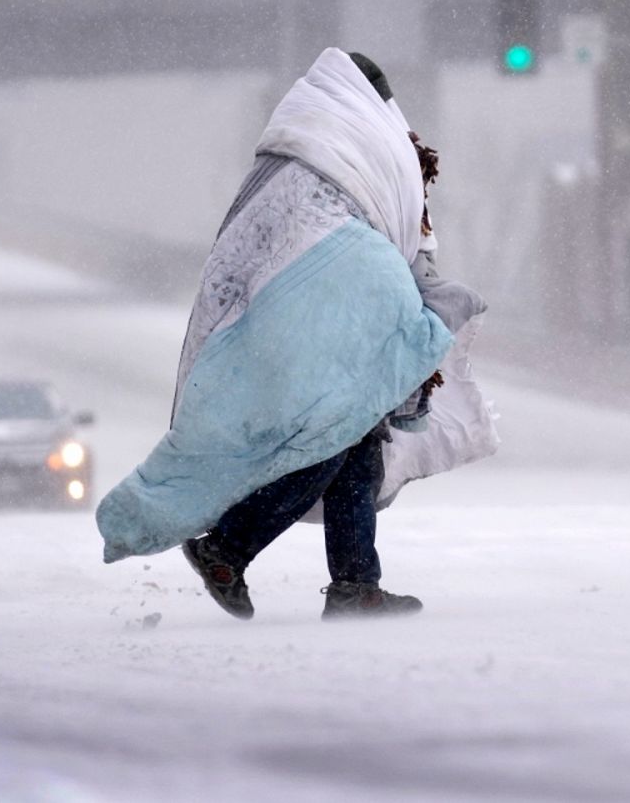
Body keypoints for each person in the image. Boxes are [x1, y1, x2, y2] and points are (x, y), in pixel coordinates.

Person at [95, 49, 489, 621]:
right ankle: (228, 548)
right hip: (318, 316)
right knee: (331, 437)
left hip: (285, 316)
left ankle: (355, 583)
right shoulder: (363, 147)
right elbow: (385, 234)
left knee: (353, 440)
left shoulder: (295, 152)